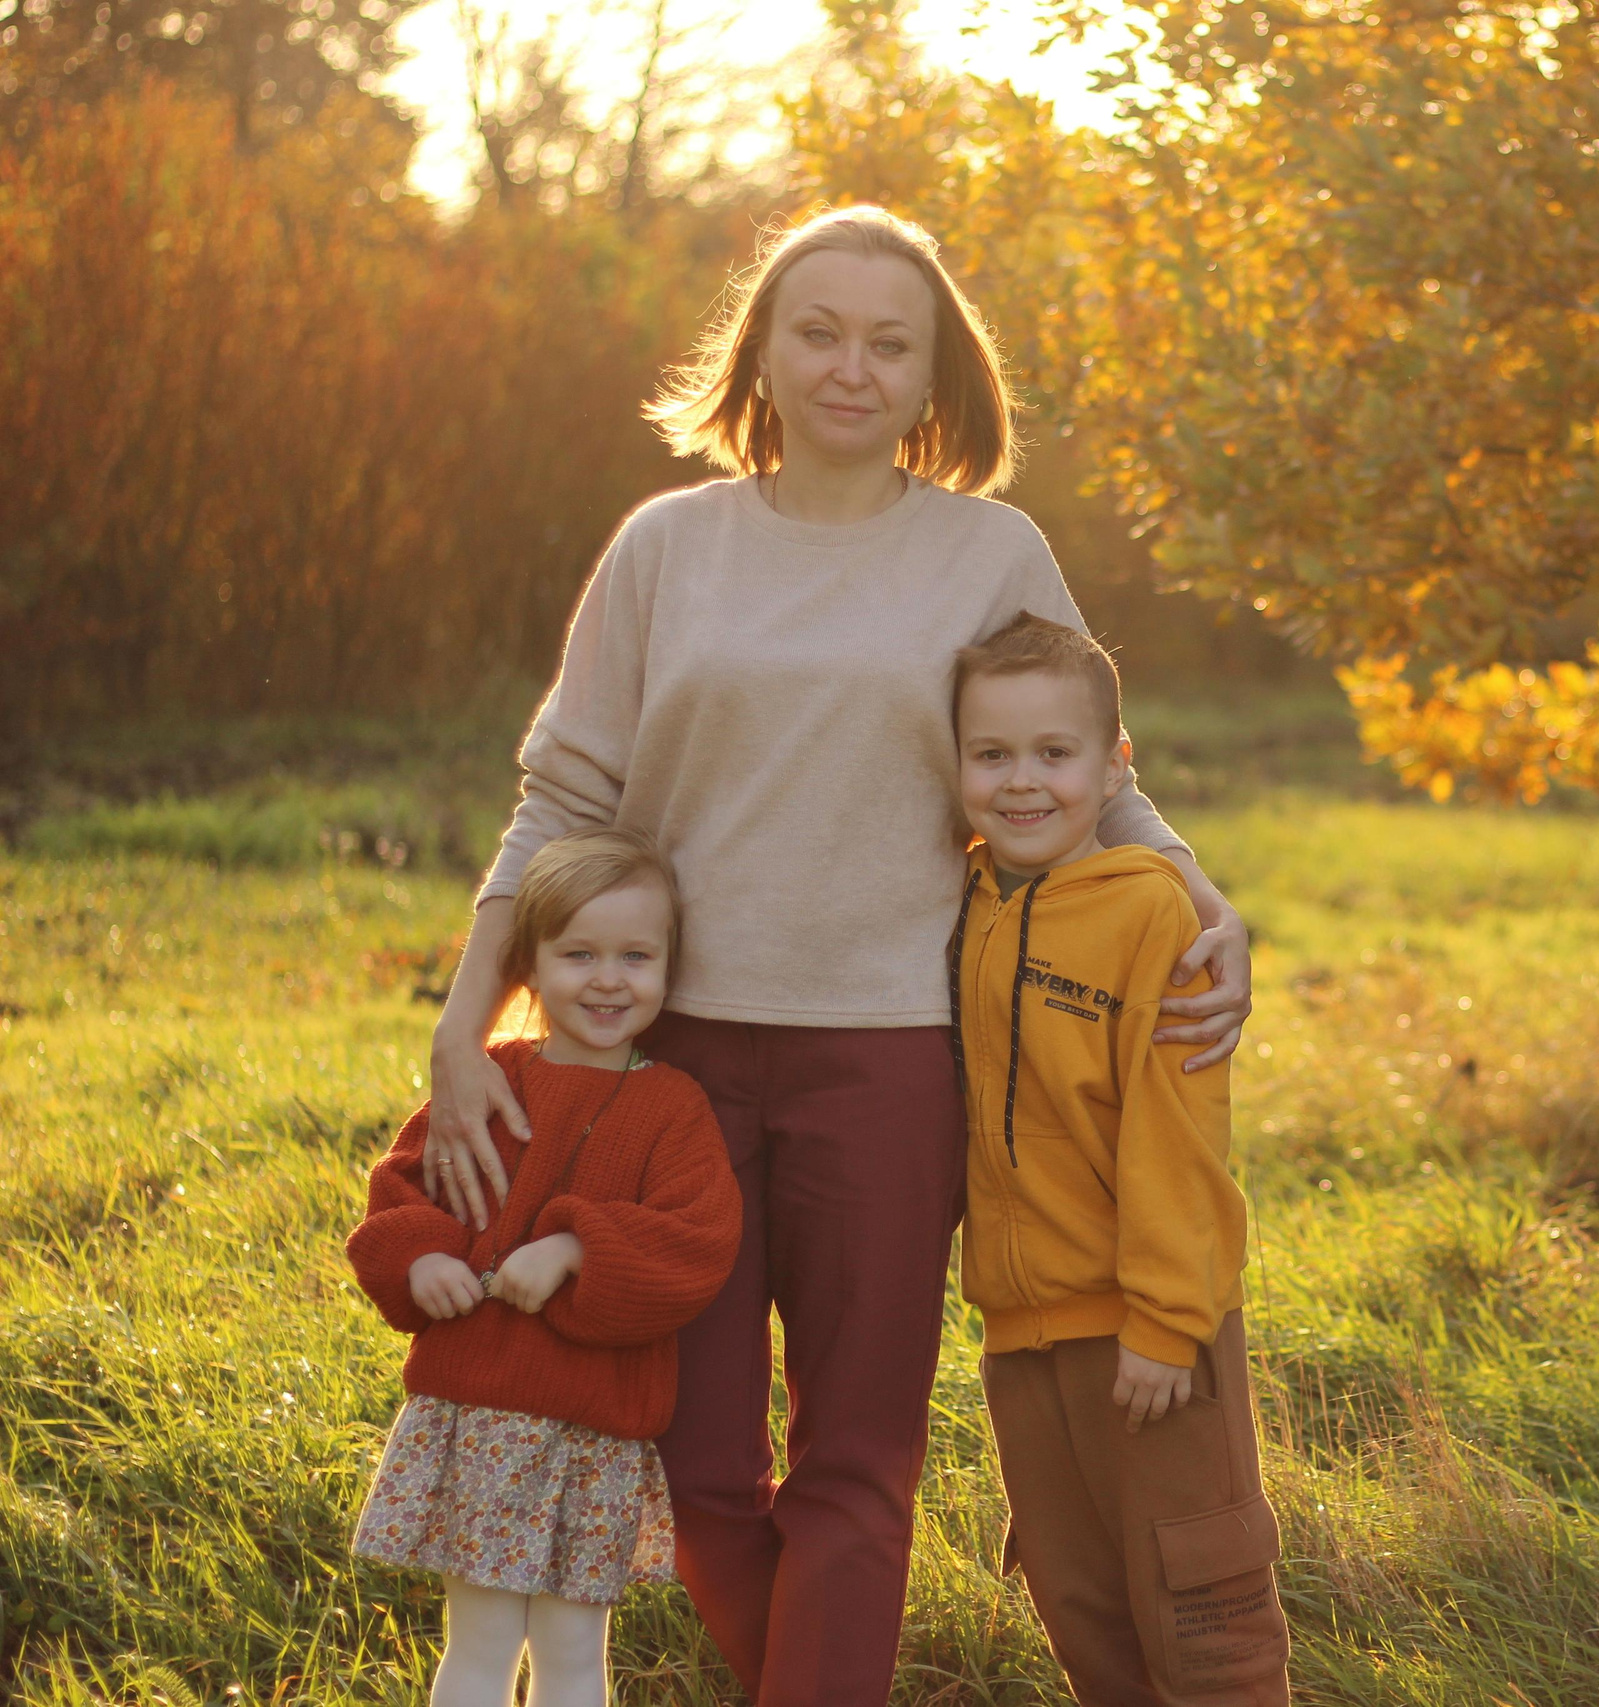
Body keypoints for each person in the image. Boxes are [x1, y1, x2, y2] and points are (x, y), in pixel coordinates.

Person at [414, 204, 1255, 1707]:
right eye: (819, 330)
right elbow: (562, 795)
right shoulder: (669, 544)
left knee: (858, 1462)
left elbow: (1087, 763)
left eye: (890, 340)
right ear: (763, 353)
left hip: (889, 1055)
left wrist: (1203, 896)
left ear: (938, 373)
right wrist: (465, 1022)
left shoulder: (991, 550)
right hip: (663, 1065)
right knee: (706, 1470)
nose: (852, 365)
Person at [949, 612, 1289, 1705]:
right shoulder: (968, 900)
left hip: (1151, 1341)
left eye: (1054, 754)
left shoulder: (1155, 914)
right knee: (1079, 1606)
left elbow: (1180, 1138)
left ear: (1113, 767)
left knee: (1205, 1622)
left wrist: (1165, 1319)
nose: (1021, 783)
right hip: (1022, 1337)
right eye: (991, 754)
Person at [347, 827, 742, 1707]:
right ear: (528, 966)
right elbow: (400, 1190)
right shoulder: (489, 1082)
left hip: (594, 1430)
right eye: (580, 954)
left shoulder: (672, 1107)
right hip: (479, 1416)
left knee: (572, 1650)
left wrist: (577, 1247)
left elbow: (699, 1239)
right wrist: (421, 1262)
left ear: (671, 966)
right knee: (480, 1643)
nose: (609, 978)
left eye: (636, 956)